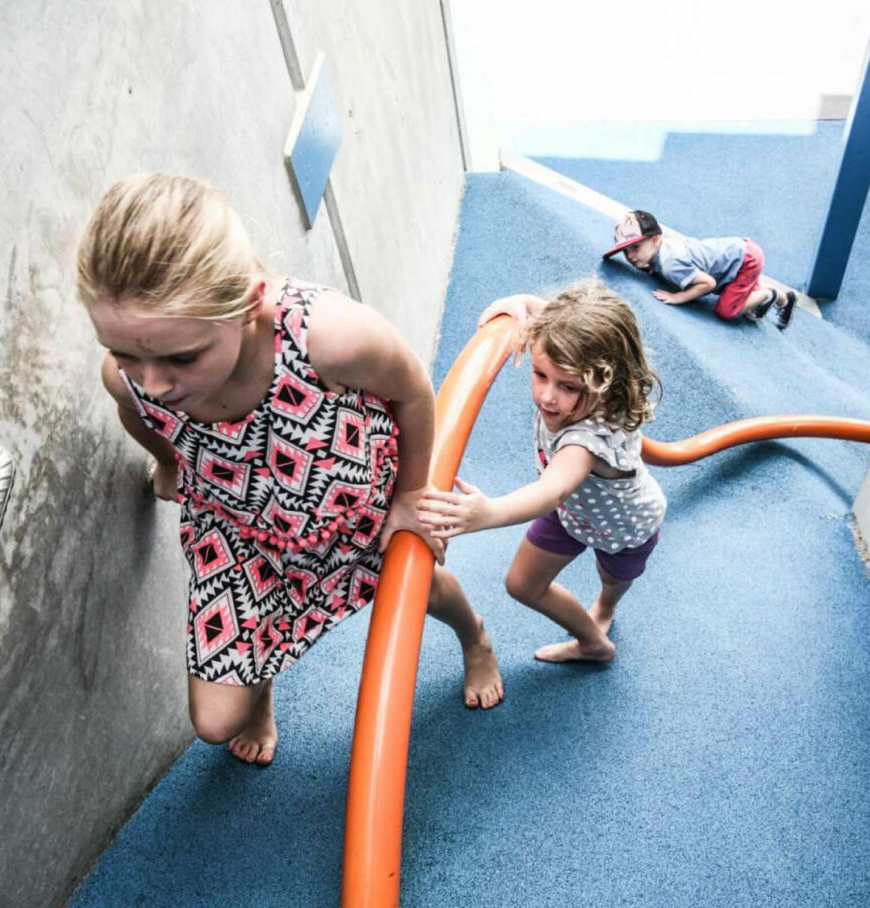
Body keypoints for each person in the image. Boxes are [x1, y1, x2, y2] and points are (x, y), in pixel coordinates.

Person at [76, 173, 503, 764]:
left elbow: (414, 392)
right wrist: (168, 460)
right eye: (126, 352)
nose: (153, 381)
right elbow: (137, 411)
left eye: (181, 357)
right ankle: (261, 684)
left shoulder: (328, 337)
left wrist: (409, 495)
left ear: (251, 303)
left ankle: (474, 635)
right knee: (214, 722)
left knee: (423, 586)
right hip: (240, 530)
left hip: (349, 508)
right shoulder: (131, 378)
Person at [417, 279, 666, 663]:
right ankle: (594, 644)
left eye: (568, 386)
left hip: (625, 525)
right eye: (540, 375)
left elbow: (554, 489)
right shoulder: (563, 350)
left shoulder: (585, 442)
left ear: (607, 382)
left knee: (613, 579)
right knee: (522, 584)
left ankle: (604, 609)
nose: (548, 396)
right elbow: (533, 317)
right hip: (572, 515)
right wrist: (515, 302)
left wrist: (488, 513)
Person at [603, 209, 797, 330]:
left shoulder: (670, 262)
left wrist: (678, 297)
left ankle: (768, 294)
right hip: (739, 254)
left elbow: (708, 283)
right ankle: (785, 299)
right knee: (742, 290)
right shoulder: (659, 252)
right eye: (625, 252)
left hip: (745, 260)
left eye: (635, 248)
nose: (630, 256)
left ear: (655, 240)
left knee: (726, 309)